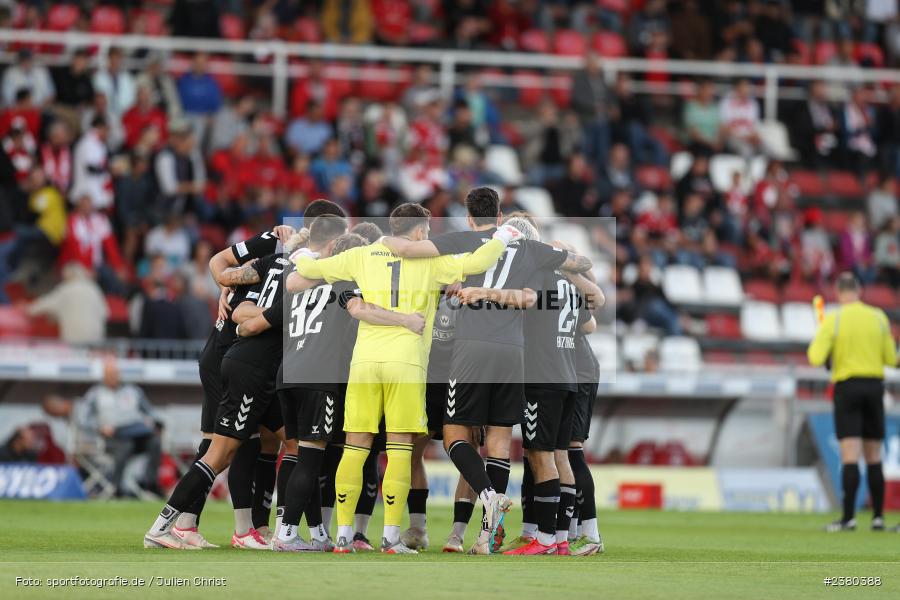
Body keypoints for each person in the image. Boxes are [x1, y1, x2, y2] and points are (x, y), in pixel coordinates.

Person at [290, 202, 516, 554]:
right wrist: (503, 236)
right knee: (399, 447)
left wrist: (301, 248)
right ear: (419, 232)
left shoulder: (362, 255)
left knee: (355, 445)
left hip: (364, 362)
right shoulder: (431, 261)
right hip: (407, 362)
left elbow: (309, 267)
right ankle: (392, 537)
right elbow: (479, 262)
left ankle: (345, 535)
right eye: (426, 230)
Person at [379, 188, 594, 554]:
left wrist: (379, 239)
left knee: (453, 437)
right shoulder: (533, 250)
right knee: (497, 443)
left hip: (472, 350)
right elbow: (583, 264)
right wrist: (564, 254)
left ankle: (489, 497)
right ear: (498, 217)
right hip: (514, 353)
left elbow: (409, 249)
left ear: (469, 217)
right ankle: (485, 536)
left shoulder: (466, 239)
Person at [807, 273, 897, 532]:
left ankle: (849, 518)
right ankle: (878, 518)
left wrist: (830, 352)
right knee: (874, 455)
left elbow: (815, 357)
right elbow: (891, 358)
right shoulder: (878, 317)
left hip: (847, 387)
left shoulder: (834, 319)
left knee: (850, 455)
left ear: (838, 292)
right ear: (859, 291)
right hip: (873, 387)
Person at [82, 360, 163, 498]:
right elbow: (83, 418)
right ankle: (117, 488)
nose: (114, 377)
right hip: (112, 437)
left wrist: (155, 423)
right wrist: (99, 428)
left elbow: (149, 411)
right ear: (104, 376)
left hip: (136, 432)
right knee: (125, 446)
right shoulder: (96, 394)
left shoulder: (133, 391)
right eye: (110, 374)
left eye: (115, 374)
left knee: (154, 441)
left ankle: (149, 482)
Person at [27, 262, 107, 345]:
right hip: (96, 339)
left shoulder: (66, 289)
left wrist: (28, 308)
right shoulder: (94, 289)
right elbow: (105, 313)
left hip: (74, 340)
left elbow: (41, 306)